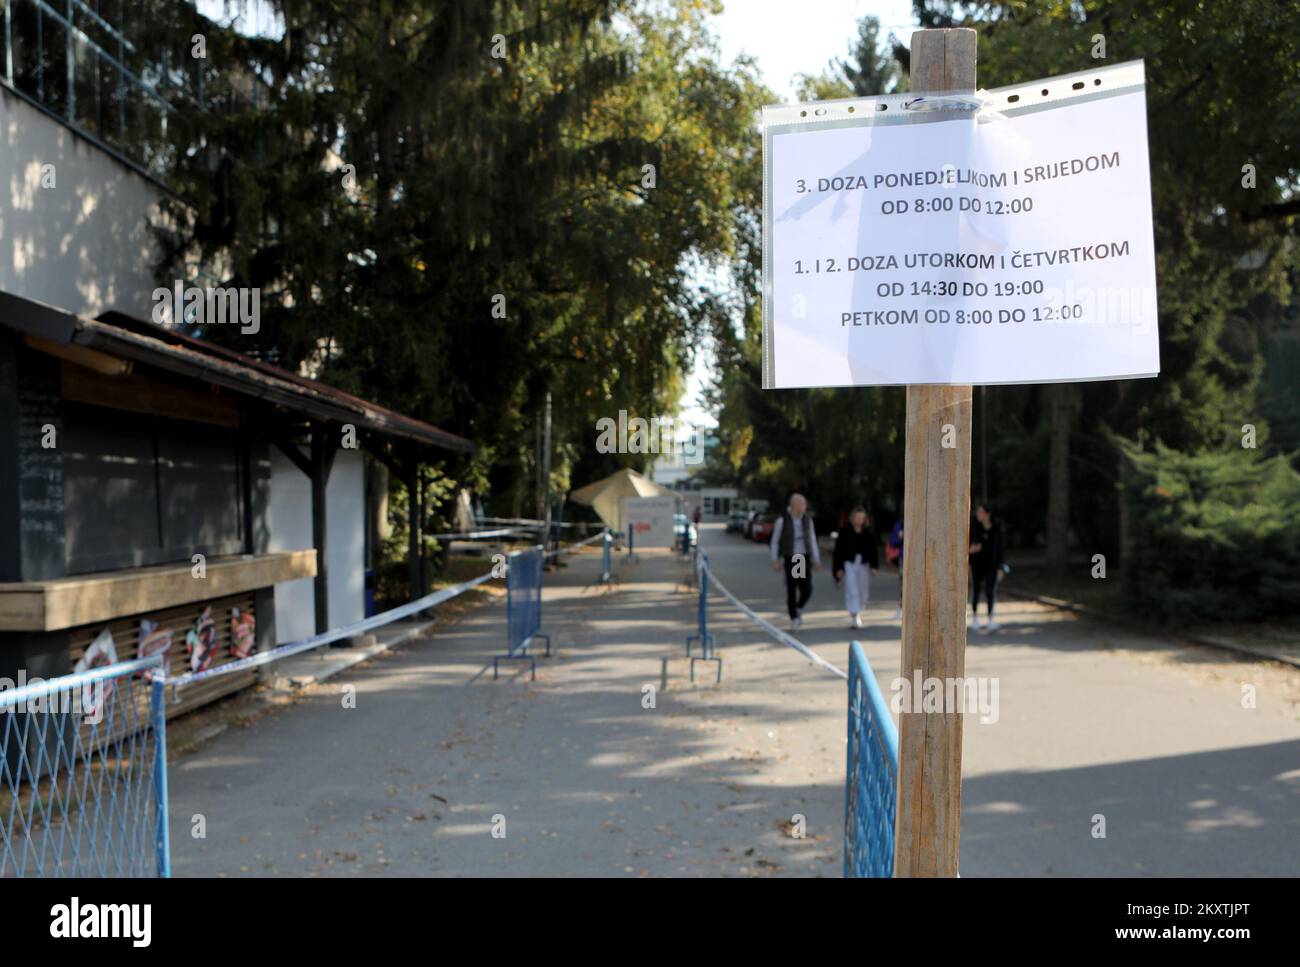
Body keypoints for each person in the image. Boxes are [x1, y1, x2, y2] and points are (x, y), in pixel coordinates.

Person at [770, 493, 820, 630]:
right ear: (794, 505)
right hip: (790, 557)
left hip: (803, 557)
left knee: (807, 588)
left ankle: (799, 607)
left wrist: (816, 559)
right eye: (802, 503)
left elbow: (812, 540)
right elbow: (775, 542)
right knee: (791, 589)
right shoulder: (782, 521)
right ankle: (794, 617)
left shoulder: (807, 520)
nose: (805, 506)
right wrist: (775, 559)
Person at [833, 506, 879, 629]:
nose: (859, 521)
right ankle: (855, 615)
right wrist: (838, 568)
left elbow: (873, 551)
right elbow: (838, 552)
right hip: (849, 564)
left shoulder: (868, 533)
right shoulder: (844, 532)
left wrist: (874, 566)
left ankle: (858, 609)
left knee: (863, 591)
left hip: (863, 564)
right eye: (857, 518)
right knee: (852, 588)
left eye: (861, 518)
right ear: (852, 518)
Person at [968, 502, 1006, 633]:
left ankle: (990, 619)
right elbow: (969, 547)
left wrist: (1001, 567)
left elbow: (1001, 549)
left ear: (987, 514)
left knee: (991, 591)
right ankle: (975, 619)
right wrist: (971, 550)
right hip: (977, 565)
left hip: (992, 566)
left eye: (981, 512)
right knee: (976, 590)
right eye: (977, 512)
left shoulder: (997, 528)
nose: (978, 514)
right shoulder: (974, 527)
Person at [886, 511, 904, 619]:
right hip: (904, 558)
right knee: (904, 584)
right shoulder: (900, 525)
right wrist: (899, 537)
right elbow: (892, 541)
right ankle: (901, 608)